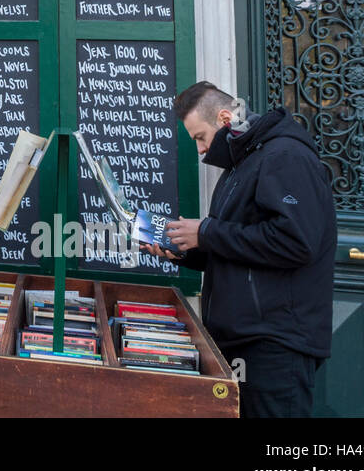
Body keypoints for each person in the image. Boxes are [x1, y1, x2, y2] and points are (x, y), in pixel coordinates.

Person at [143, 81, 335, 418]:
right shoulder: (242, 164)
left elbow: (296, 242)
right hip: (246, 339)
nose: (201, 150)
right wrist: (188, 249)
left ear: (224, 118)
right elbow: (241, 245)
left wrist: (206, 231)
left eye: (200, 137)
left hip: (275, 344)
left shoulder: (285, 156)